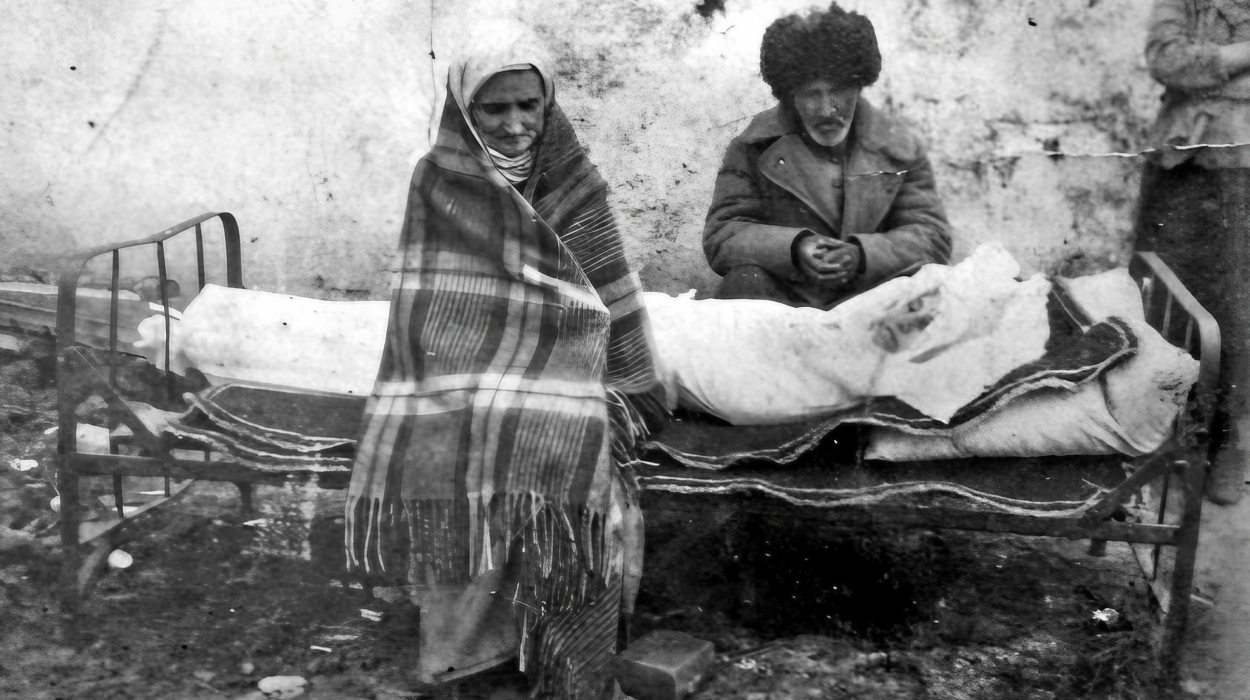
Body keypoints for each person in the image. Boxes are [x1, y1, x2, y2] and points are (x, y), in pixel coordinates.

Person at [344, 30, 660, 698]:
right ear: (465, 113)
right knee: (460, 441)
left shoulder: (572, 177)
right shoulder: (438, 179)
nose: (516, 125)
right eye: (495, 111)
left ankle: (562, 655)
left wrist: (612, 371)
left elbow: (603, 288)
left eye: (528, 106)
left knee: (564, 438)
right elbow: (431, 306)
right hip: (464, 368)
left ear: (548, 107)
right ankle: (468, 656)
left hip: (571, 357)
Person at [704, 2, 953, 309]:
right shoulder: (753, 146)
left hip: (875, 298)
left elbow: (932, 235)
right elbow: (723, 234)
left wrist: (862, 255)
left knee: (934, 293)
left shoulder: (898, 145)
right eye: (811, 93)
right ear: (790, 94)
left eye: (838, 90)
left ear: (859, 85)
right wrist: (794, 248)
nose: (826, 109)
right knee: (743, 282)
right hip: (788, 302)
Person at [1135, 0, 1250, 504]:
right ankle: (1153, 428)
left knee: (1235, 308)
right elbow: (1166, 58)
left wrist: (1214, 69)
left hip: (1243, 168)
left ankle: (1224, 436)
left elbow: (1189, 66)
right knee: (1163, 293)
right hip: (1184, 162)